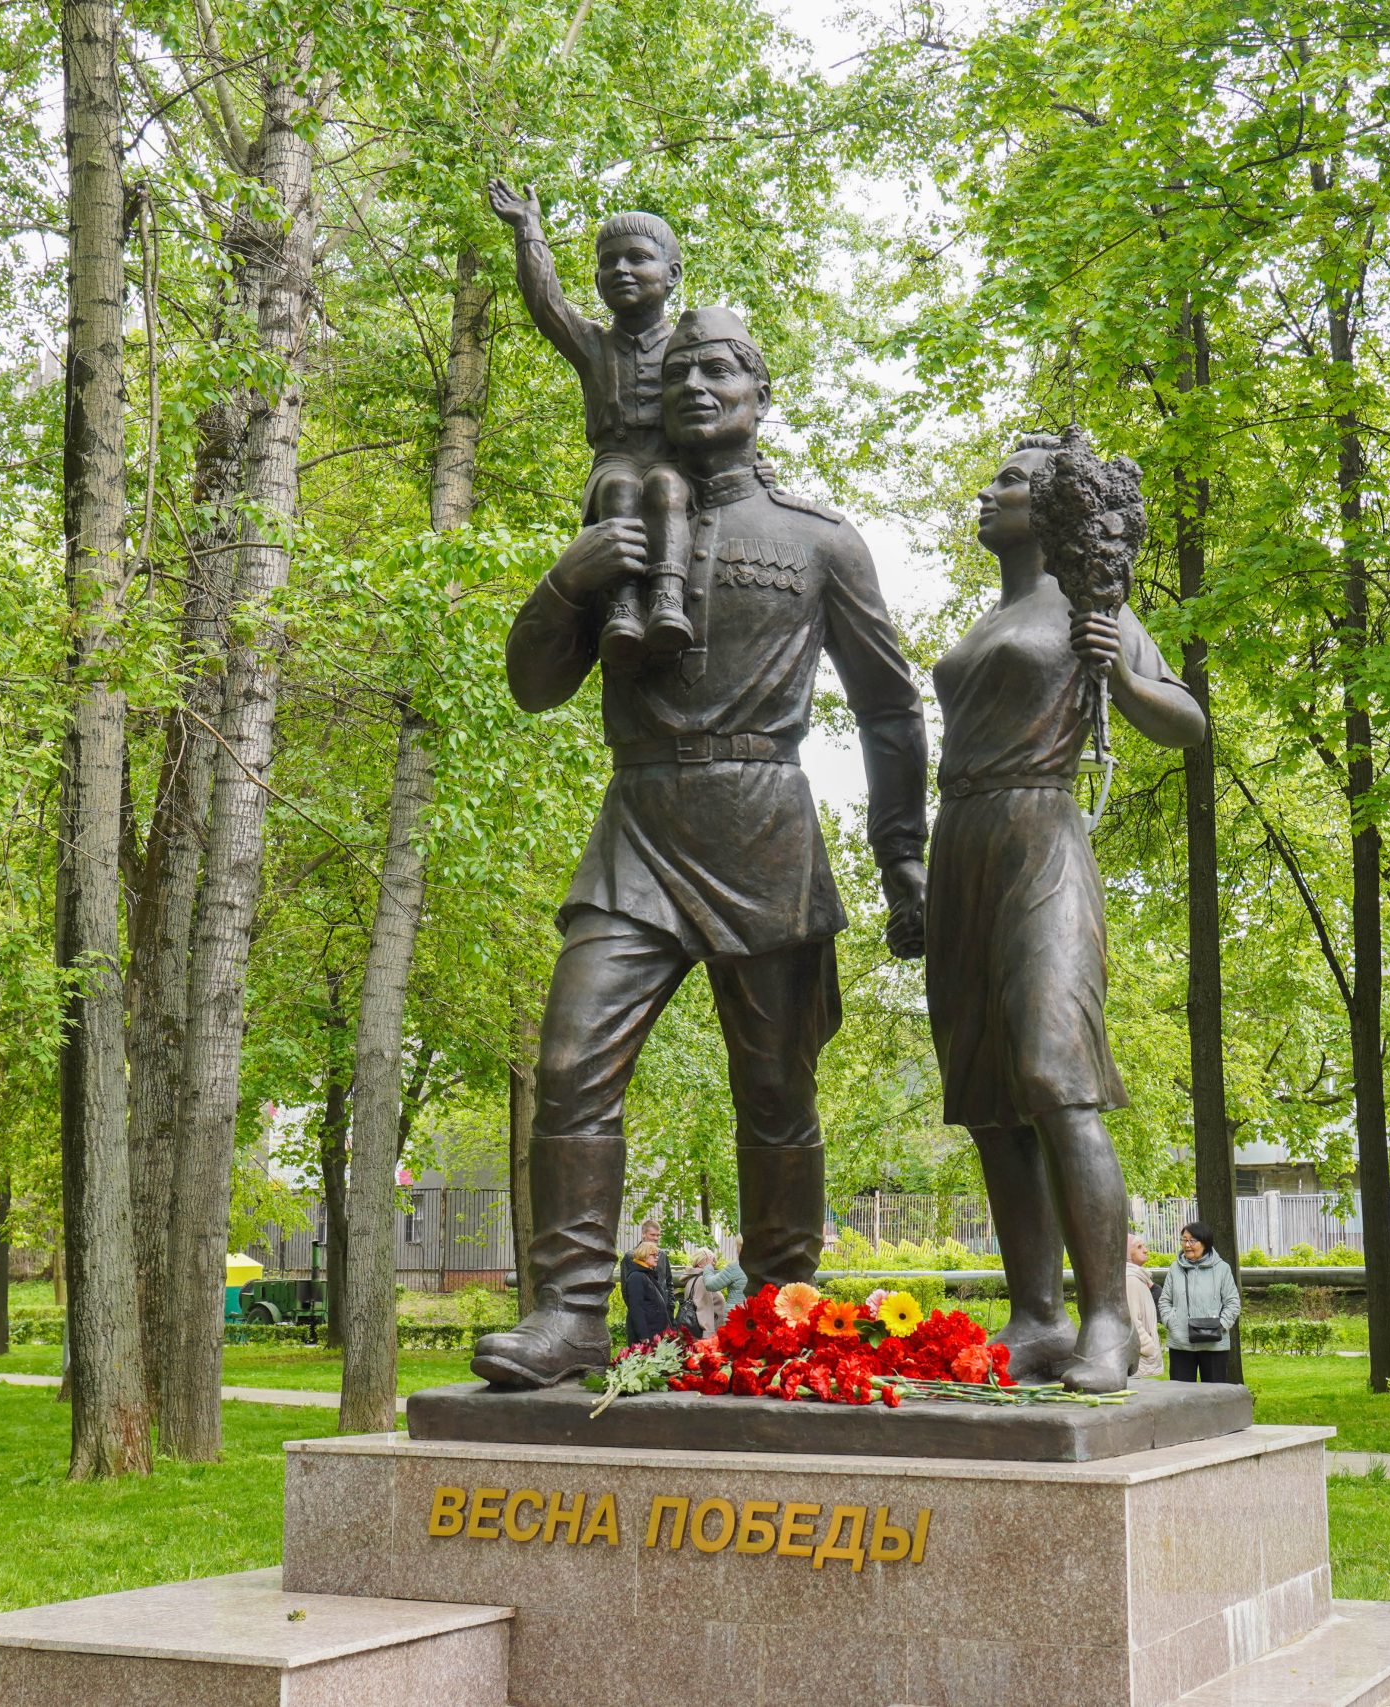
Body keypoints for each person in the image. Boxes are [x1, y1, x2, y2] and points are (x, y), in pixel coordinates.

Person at [470, 306, 928, 1390]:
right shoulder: (621, 519)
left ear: (762, 394)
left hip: (765, 823)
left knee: (775, 1089)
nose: (695, 385)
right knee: (570, 1064)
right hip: (638, 823)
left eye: (720, 369)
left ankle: (780, 1311)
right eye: (677, 370)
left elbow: (889, 709)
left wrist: (902, 855)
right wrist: (570, 578)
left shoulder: (821, 541)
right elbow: (533, 686)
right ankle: (571, 1313)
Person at [923, 432, 1207, 1392]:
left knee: (1054, 1072)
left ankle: (1107, 1320)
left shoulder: (1092, 606)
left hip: (1042, 837)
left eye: (1008, 480)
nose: (987, 491)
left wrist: (1121, 674)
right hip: (961, 845)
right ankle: (1037, 1314)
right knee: (988, 1099)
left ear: (1049, 506)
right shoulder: (987, 619)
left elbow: (1185, 721)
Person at [489, 181, 695, 668]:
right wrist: (528, 230)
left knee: (667, 485)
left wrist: (753, 460)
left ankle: (668, 597)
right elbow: (547, 304)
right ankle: (623, 605)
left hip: (672, 462)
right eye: (609, 263)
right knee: (618, 487)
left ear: (671, 274)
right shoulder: (593, 345)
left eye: (637, 258)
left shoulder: (689, 344)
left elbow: (730, 401)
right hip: (614, 460)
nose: (621, 269)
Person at [1157, 1221, 1241, 1383]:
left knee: (1213, 1394)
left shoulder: (1222, 1269)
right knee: (1181, 1393)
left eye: (1192, 1241)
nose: (1187, 1245)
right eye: (1184, 1240)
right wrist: (1171, 1322)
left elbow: (1233, 1303)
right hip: (1181, 1343)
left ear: (1205, 1242)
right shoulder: (1175, 1268)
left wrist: (1221, 1325)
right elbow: (1164, 1301)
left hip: (1214, 1344)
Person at [618, 1236, 673, 1345]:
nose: (657, 1258)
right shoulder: (636, 1277)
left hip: (655, 1332)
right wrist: (643, 1335)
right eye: (653, 1255)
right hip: (647, 1335)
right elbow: (636, 1307)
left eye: (657, 1255)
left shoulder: (647, 1274)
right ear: (643, 1255)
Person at [1125, 1234, 1162, 1379]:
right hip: (1138, 1358)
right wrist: (1148, 1347)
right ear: (1127, 1253)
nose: (1146, 1250)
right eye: (1139, 1247)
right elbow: (1131, 1321)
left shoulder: (1138, 1278)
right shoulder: (1131, 1280)